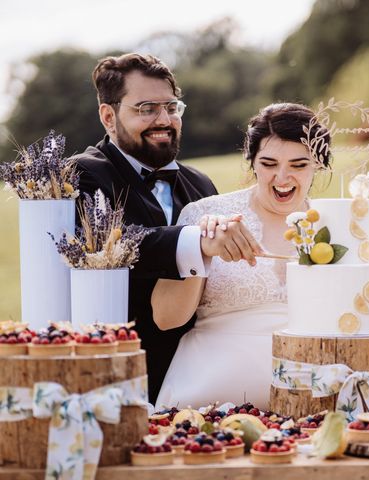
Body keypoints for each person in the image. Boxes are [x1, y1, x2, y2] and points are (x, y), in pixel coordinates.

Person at [71, 53, 257, 403]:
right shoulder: (81, 174)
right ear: (108, 116)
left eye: (171, 107)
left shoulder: (200, 184)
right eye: (146, 109)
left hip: (205, 375)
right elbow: (107, 244)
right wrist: (196, 242)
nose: (164, 120)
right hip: (116, 379)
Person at [153, 102, 330, 409]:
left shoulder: (336, 227)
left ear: (317, 164)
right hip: (207, 401)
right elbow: (166, 318)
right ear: (252, 162)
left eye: (299, 165)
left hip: (309, 406)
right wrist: (200, 248)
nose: (283, 177)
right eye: (269, 163)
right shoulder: (204, 215)